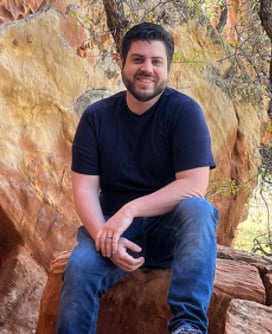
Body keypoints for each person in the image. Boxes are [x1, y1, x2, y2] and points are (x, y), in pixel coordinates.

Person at [57, 22, 218, 334]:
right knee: (79, 268)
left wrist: (130, 210)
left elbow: (194, 186)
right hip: (114, 230)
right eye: (138, 59)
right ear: (123, 64)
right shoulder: (97, 117)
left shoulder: (185, 113)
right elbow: (85, 191)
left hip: (168, 232)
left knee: (199, 210)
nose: (147, 69)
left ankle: (188, 326)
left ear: (168, 68)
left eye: (156, 61)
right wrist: (104, 235)